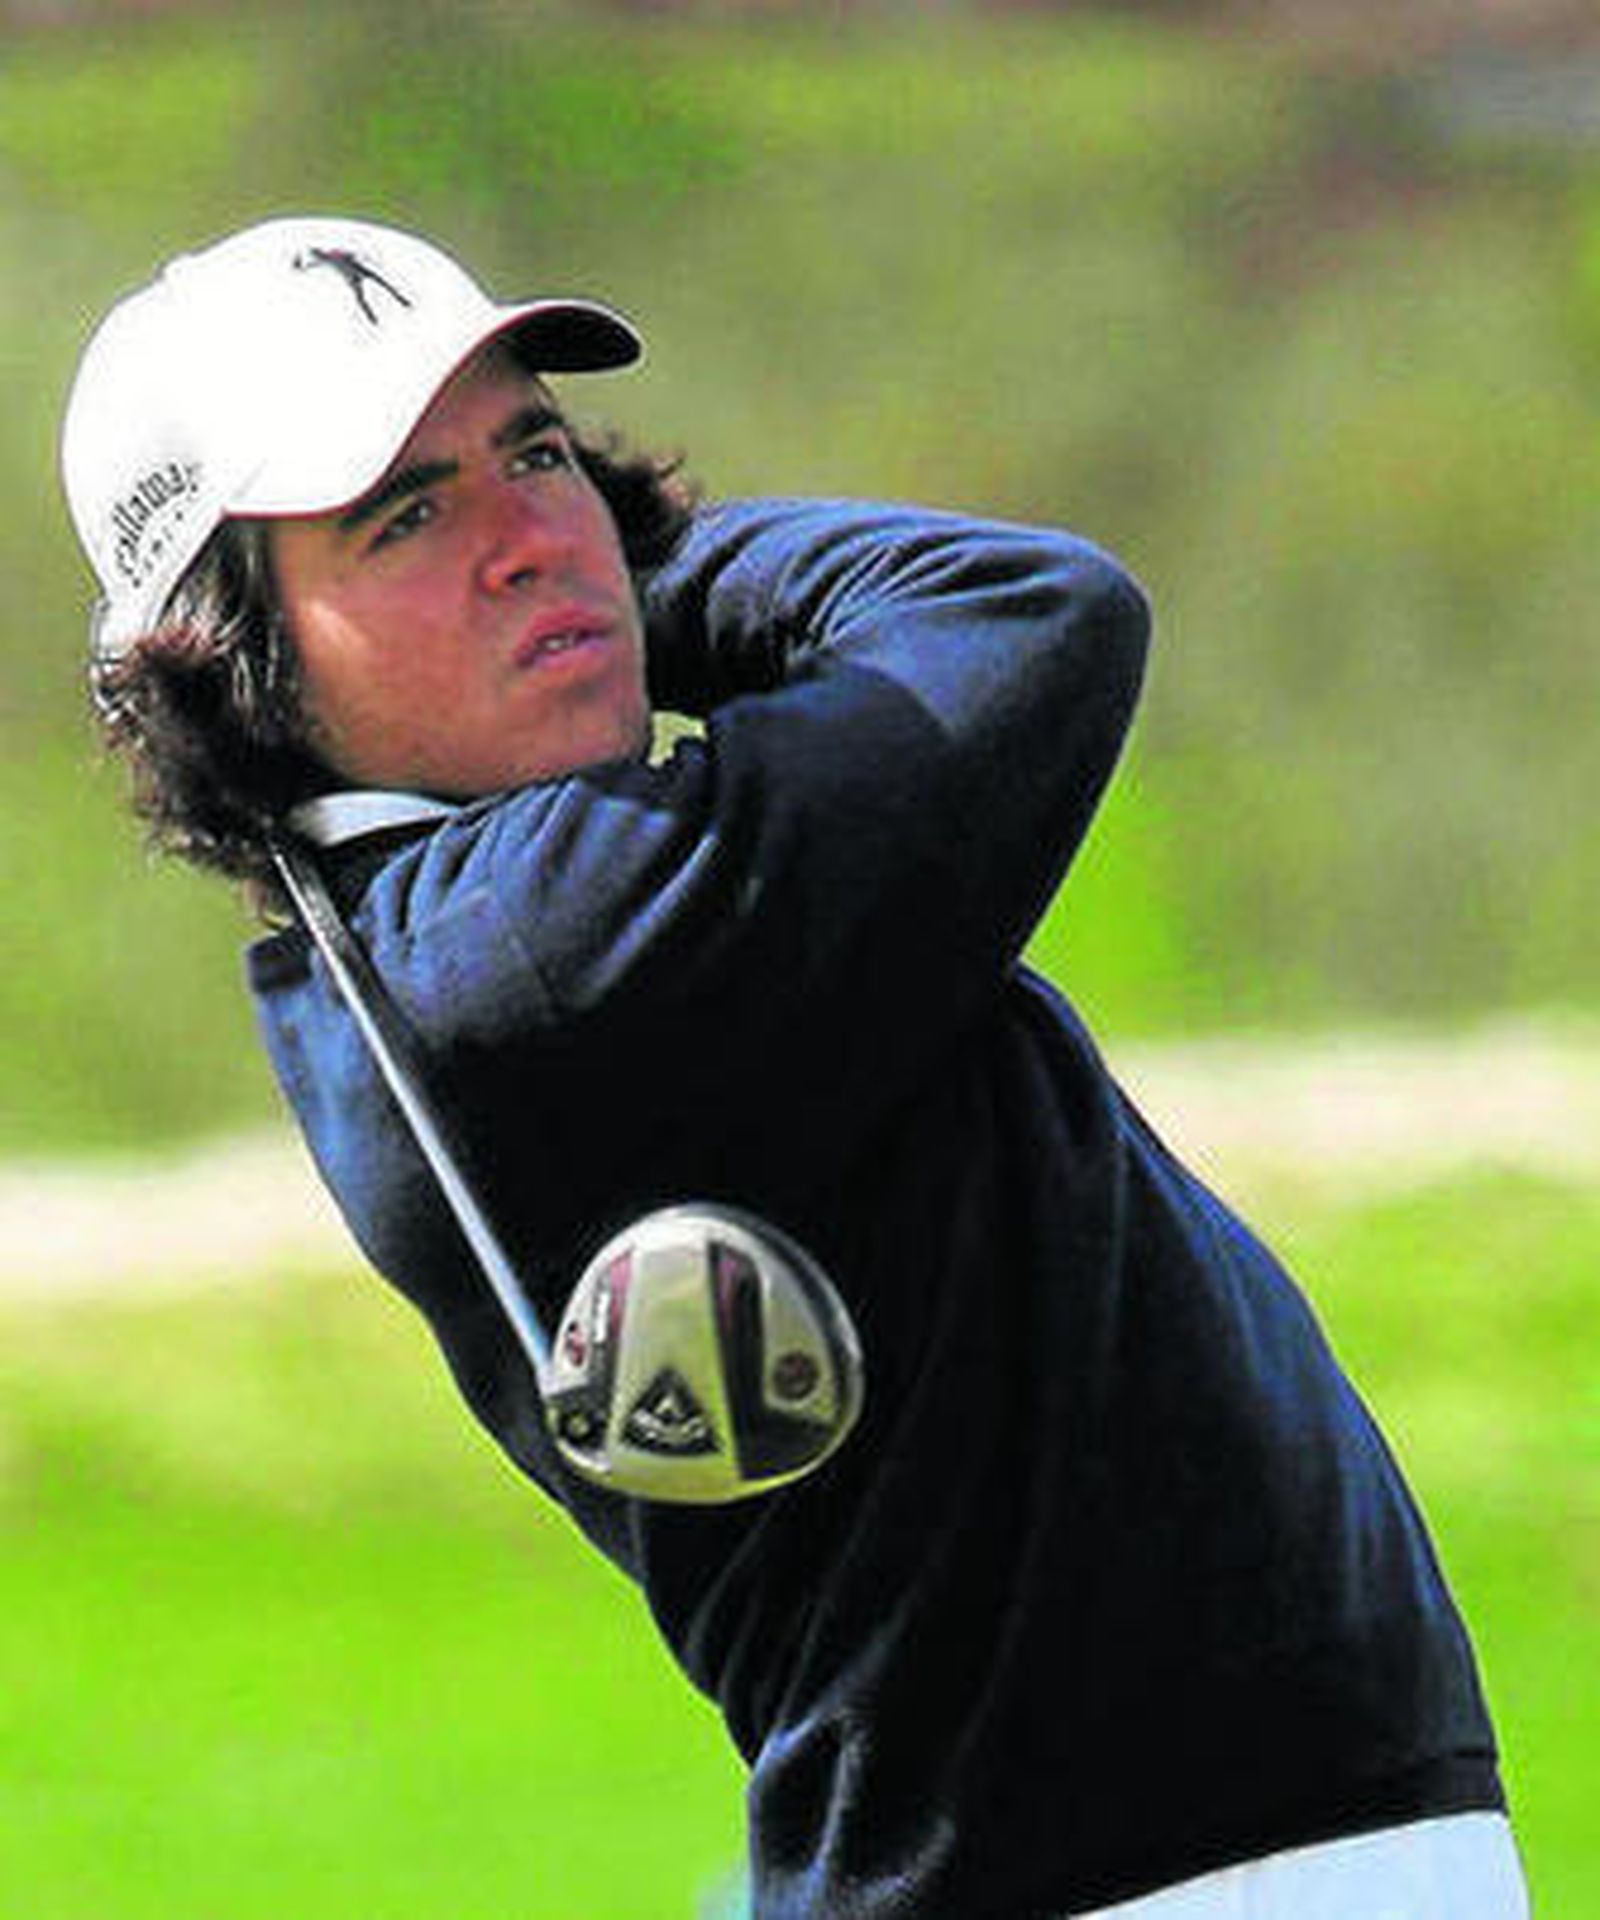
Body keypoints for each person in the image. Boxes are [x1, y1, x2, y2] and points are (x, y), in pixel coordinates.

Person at [60, 215, 1529, 1919]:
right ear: (231, 662)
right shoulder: (538, 942)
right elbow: (1025, 616)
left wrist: (579, 579)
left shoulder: (476, 926)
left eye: (537, 453)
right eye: (407, 513)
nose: (534, 537)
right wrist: (649, 575)